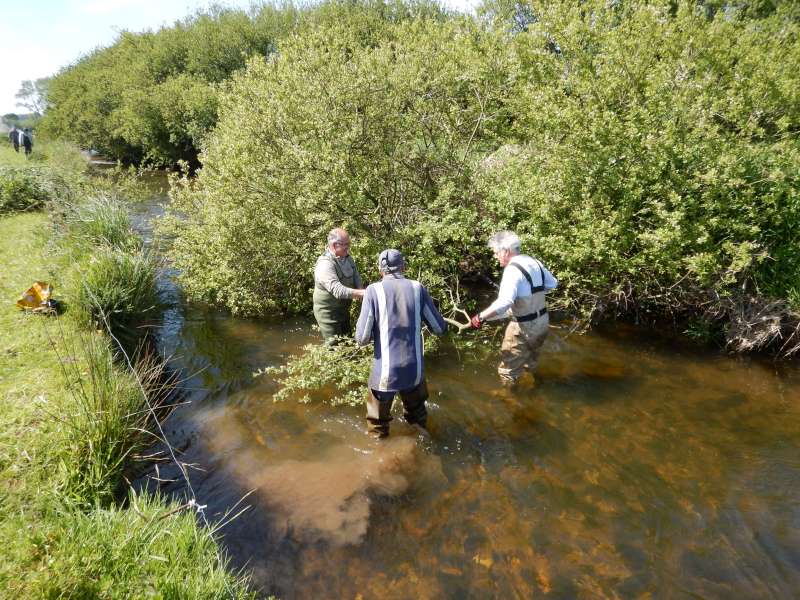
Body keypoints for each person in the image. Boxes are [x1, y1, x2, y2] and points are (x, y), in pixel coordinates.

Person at [355, 249, 448, 438]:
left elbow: (362, 338)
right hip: (414, 371)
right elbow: (439, 328)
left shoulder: (373, 290)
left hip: (385, 373)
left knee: (378, 426)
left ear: (380, 270)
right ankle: (422, 445)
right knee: (417, 418)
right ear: (404, 267)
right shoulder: (417, 288)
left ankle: (383, 461)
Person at [471, 231, 557, 385]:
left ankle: (510, 401)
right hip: (542, 322)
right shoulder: (534, 261)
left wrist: (480, 317)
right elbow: (552, 284)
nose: (495, 257)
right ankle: (531, 391)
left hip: (523, 328)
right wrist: (527, 299)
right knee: (530, 364)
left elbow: (504, 302)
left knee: (508, 372)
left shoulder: (511, 270)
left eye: (496, 253)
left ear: (506, 251)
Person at [313, 228, 364, 342]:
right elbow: (338, 291)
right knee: (334, 346)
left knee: (348, 341)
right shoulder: (325, 264)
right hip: (328, 314)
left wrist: (363, 298)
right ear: (335, 245)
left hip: (343, 310)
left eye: (349, 243)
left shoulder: (348, 258)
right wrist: (366, 293)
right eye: (346, 244)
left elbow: (357, 278)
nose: (348, 247)